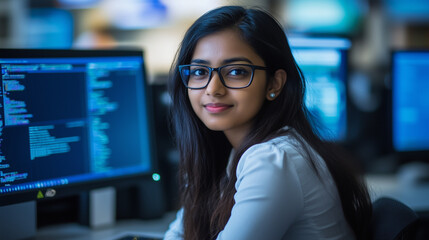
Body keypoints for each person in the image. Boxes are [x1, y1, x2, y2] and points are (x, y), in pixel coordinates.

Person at [164, 5, 372, 240]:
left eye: (236, 72)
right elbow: (178, 234)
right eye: (199, 72)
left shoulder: (274, 160)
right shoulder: (229, 153)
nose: (213, 89)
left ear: (274, 83)